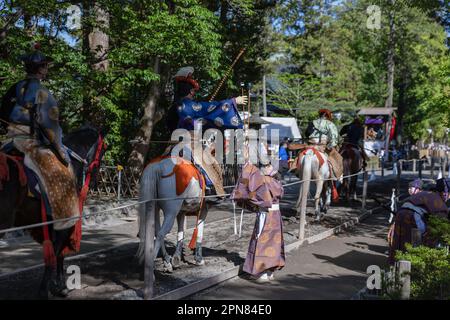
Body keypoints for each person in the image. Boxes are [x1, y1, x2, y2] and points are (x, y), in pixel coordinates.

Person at [0, 44, 79, 231]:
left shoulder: (13, 88)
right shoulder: (43, 92)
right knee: (62, 173)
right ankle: (60, 219)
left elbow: (2, 113)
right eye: (45, 66)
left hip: (9, 141)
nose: (47, 69)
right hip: (30, 143)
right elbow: (50, 126)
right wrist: (60, 149)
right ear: (41, 69)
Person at [231, 160, 285, 282]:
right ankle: (270, 271)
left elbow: (248, 194)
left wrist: (247, 168)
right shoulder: (276, 181)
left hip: (265, 215)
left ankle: (262, 273)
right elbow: (280, 194)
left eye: (265, 166)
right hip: (276, 215)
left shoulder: (262, 181)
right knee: (274, 243)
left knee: (262, 241)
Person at [388, 178, 450, 264]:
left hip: (400, 214)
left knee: (400, 243)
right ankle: (414, 268)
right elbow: (441, 224)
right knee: (417, 244)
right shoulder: (438, 201)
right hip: (412, 216)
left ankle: (396, 267)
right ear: (445, 193)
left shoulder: (426, 193)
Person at [305, 108, 343, 180]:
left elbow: (307, 133)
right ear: (327, 116)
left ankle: (296, 169)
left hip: (311, 145)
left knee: (300, 155)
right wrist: (331, 145)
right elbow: (334, 137)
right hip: (323, 146)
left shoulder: (312, 122)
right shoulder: (330, 124)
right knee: (338, 158)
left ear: (320, 115)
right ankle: (336, 176)